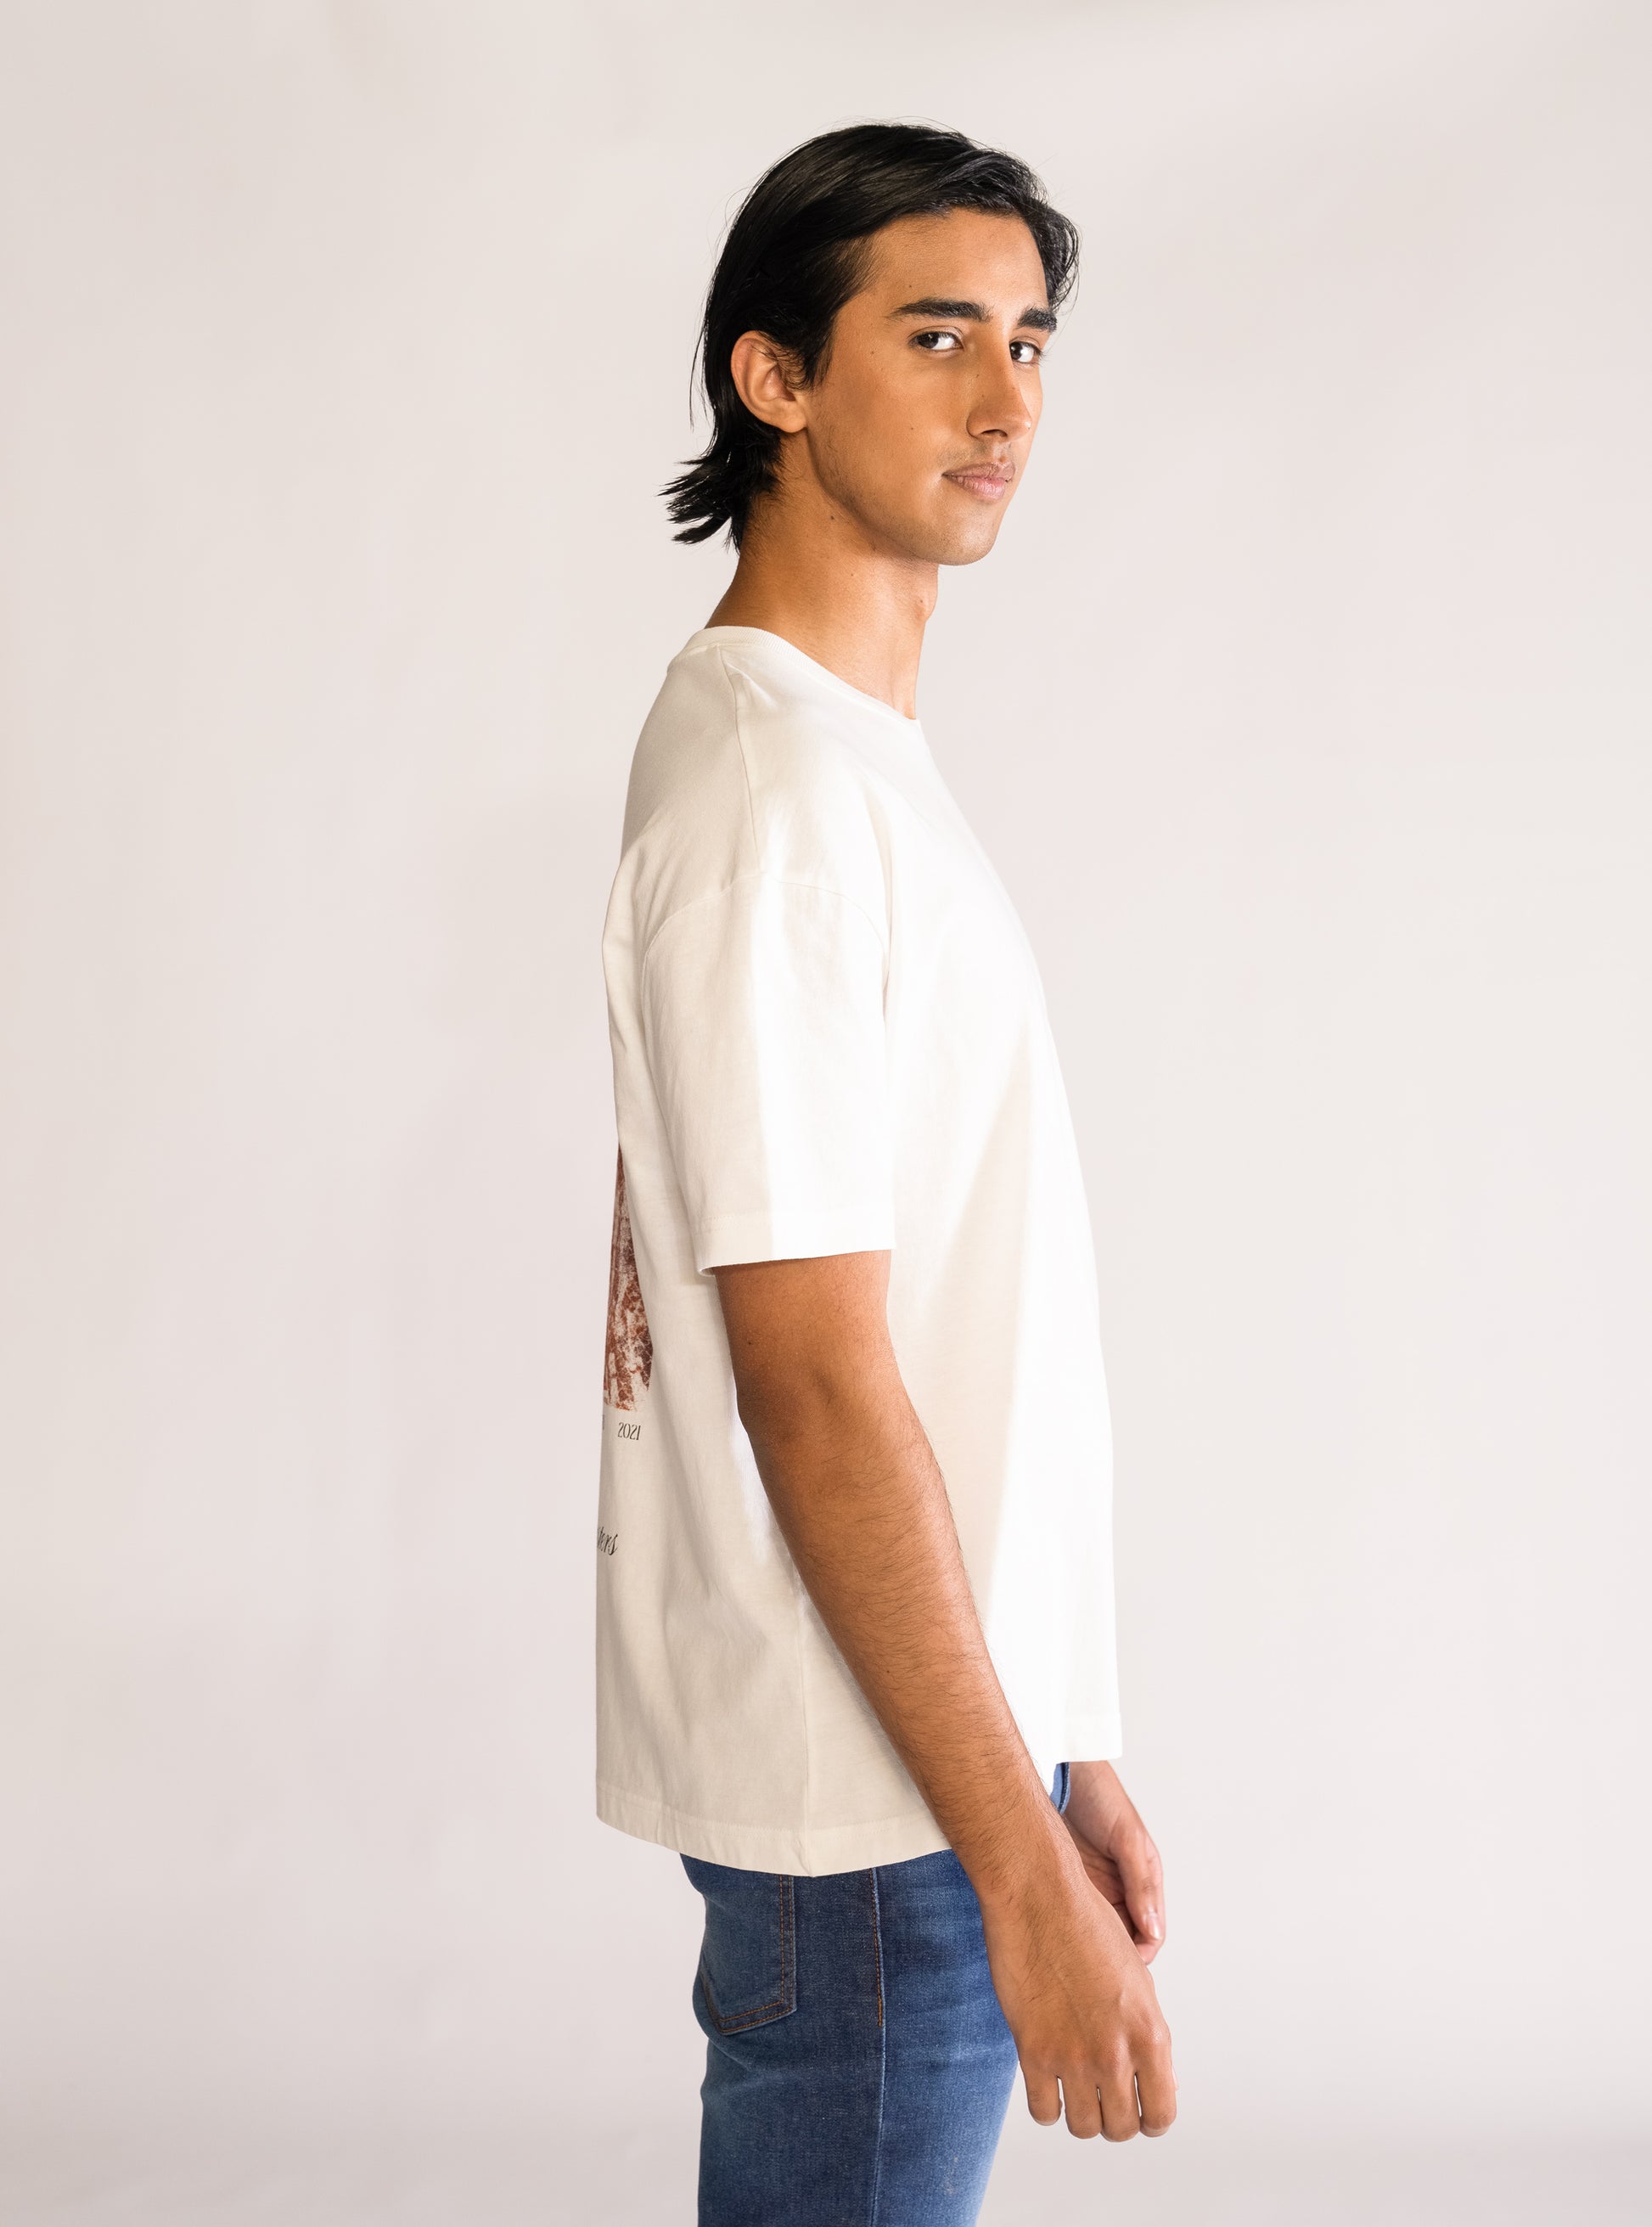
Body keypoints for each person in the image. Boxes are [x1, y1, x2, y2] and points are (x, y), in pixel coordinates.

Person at [598, 122, 1175, 2225]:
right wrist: (1009, 1860)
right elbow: (816, 1379)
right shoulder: (777, 801)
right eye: (936, 337)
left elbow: (938, 1303)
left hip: (934, 1773)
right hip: (883, 1821)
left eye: (1029, 341)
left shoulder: (844, 767)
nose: (1006, 401)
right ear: (773, 376)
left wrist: (1062, 1743)